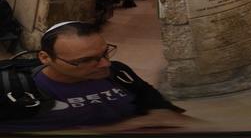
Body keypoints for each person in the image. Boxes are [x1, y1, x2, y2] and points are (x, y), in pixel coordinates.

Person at [0, 21, 194, 132]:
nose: (105, 64)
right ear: (45, 58)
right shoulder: (12, 89)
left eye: (105, 53)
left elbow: (162, 111)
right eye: (85, 60)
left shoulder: (119, 73)